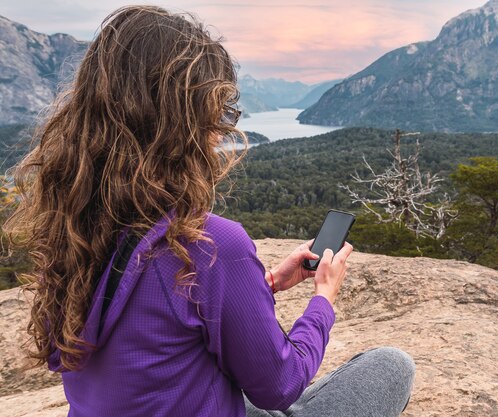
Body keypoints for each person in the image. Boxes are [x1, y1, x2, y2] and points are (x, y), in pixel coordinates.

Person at [2, 5, 415, 417]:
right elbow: (280, 386)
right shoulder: (211, 246)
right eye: (220, 111)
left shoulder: (75, 227)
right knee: (390, 366)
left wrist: (264, 284)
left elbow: (152, 325)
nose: (221, 130)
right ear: (183, 124)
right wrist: (323, 299)